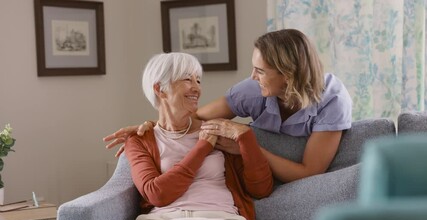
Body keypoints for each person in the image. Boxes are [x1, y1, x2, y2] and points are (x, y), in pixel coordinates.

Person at [104, 28, 352, 183]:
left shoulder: (332, 100)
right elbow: (193, 118)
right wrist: (150, 128)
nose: (253, 77)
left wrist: (248, 147)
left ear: (287, 74)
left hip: (299, 177)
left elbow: (310, 172)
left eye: (260, 71)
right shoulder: (252, 90)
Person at [124, 52, 273, 220]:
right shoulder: (139, 140)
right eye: (188, 80)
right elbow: (157, 194)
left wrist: (246, 138)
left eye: (198, 81)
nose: (197, 89)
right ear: (160, 89)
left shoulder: (219, 131)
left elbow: (261, 189)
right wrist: (202, 148)